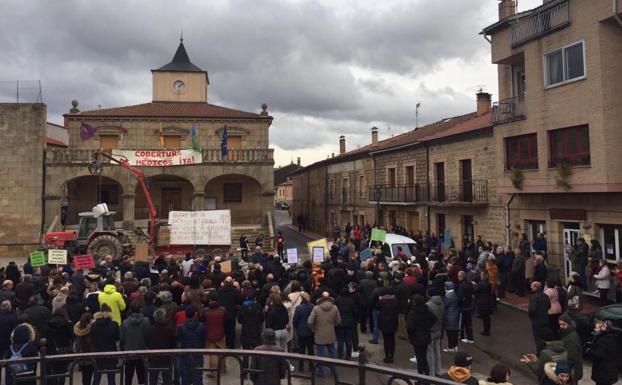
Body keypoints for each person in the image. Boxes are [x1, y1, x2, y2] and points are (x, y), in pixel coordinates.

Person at [308, 292, 340, 375]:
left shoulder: (316, 308)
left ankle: (321, 371)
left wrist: (313, 328)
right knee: (332, 352)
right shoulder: (335, 308)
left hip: (319, 333)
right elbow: (338, 321)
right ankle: (333, 370)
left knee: (320, 353)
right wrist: (332, 325)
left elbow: (310, 321)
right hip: (330, 332)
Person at [120, 302, 150, 385]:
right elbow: (148, 336)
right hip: (142, 352)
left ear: (130, 310)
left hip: (129, 352)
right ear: (140, 309)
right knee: (142, 377)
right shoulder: (146, 321)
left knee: (128, 377)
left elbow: (121, 338)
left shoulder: (125, 323)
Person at [407, 294, 437, 375]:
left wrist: (411, 333)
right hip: (425, 336)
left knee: (419, 359)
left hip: (416, 338)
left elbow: (410, 328)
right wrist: (427, 327)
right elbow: (434, 318)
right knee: (424, 357)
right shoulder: (426, 310)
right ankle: (426, 375)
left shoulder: (412, 313)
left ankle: (420, 377)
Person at [91, 304, 120, 385]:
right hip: (111, 352)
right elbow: (117, 338)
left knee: (97, 376)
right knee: (111, 377)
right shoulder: (114, 324)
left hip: (97, 352)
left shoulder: (93, 325)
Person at [146, 308, 176, 385]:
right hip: (166, 358)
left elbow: (147, 343)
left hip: (153, 358)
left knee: (153, 380)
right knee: (167, 379)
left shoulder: (149, 329)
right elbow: (173, 343)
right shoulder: (169, 330)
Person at [176, 306, 205, 385]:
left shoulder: (181, 328)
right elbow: (204, 338)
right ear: (194, 314)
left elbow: (178, 339)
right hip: (197, 354)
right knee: (198, 378)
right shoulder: (201, 326)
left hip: (185, 355)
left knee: (185, 379)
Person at [46, 309, 73, 385]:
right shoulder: (66, 324)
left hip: (51, 351)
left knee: (54, 371)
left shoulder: (48, 325)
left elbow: (46, 338)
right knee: (62, 371)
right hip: (64, 351)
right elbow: (71, 336)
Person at [588, 318, 619, 385]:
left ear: (602, 329)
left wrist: (589, 351)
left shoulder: (602, 341)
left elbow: (599, 355)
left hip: (603, 373)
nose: (594, 330)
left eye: (596, 328)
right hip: (609, 372)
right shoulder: (610, 337)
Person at [204, 295, 227, 376]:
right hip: (220, 333)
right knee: (222, 351)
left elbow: (204, 322)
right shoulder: (223, 310)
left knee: (212, 353)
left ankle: (213, 370)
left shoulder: (206, 311)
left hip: (209, 333)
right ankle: (222, 368)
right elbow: (225, 321)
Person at [292, 292, 314, 371]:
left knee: (302, 349)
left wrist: (296, 327)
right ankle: (311, 366)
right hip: (310, 330)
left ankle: (301, 366)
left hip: (301, 331)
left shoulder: (299, 308)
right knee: (311, 349)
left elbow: (295, 320)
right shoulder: (312, 306)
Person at [557, 314, 582, 383]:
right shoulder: (568, 334)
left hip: (571, 373)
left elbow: (571, 358)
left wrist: (563, 370)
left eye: (563, 324)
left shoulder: (571, 338)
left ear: (569, 324)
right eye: (560, 324)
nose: (561, 326)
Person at [377, 286, 399, 363]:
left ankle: (387, 356)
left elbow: (377, 307)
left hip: (384, 322)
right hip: (393, 321)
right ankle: (391, 356)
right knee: (392, 340)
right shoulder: (395, 301)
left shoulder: (381, 301)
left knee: (386, 340)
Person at [425, 288, 445, 376]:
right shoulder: (442, 303)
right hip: (439, 329)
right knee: (437, 351)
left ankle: (431, 373)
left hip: (431, 330)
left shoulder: (428, 305)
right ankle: (438, 370)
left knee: (430, 352)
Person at [335, 287, 357, 359]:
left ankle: (340, 356)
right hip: (349, 322)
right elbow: (355, 312)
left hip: (339, 322)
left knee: (340, 340)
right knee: (348, 339)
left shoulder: (337, 300)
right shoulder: (351, 301)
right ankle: (348, 355)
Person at [528, 281, 551, 353]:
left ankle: (539, 353)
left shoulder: (534, 297)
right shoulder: (546, 296)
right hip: (545, 319)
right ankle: (545, 350)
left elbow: (532, 309)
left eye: (532, 286)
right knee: (544, 337)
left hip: (536, 320)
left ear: (536, 287)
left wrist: (531, 316)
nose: (531, 287)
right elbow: (549, 306)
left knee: (537, 338)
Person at [74, 313, 95, 385]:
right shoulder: (90, 334)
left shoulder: (78, 334)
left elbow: (76, 347)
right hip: (90, 359)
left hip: (81, 359)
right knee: (89, 376)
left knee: (85, 376)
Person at [457, 271, 475, 344]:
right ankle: (470, 337)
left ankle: (462, 336)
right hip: (469, 306)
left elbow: (460, 297)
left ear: (461, 277)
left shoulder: (461, 286)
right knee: (469, 323)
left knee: (462, 323)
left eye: (459, 276)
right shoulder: (469, 283)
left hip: (463, 307)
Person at [443, 281, 460, 353]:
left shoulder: (448, 296)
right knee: (455, 333)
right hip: (455, 315)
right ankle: (455, 346)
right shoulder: (454, 294)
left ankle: (450, 347)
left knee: (450, 333)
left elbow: (445, 304)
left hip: (449, 316)